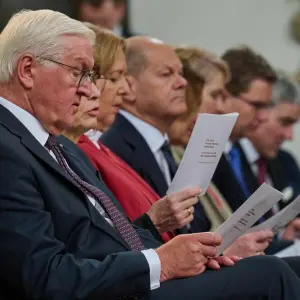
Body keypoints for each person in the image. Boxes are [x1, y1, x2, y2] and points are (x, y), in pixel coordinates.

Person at [2, 10, 300, 300]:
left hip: (130, 279)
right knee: (269, 274)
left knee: (273, 269)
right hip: (115, 290)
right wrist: (160, 263)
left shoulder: (60, 146)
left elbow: (113, 233)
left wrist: (198, 253)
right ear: (28, 70)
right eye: (79, 72)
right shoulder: (8, 149)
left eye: (92, 75)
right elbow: (43, 277)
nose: (90, 90)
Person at [63, 24, 196, 242]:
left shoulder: (99, 147)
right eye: (115, 78)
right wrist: (153, 222)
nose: (124, 89)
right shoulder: (85, 148)